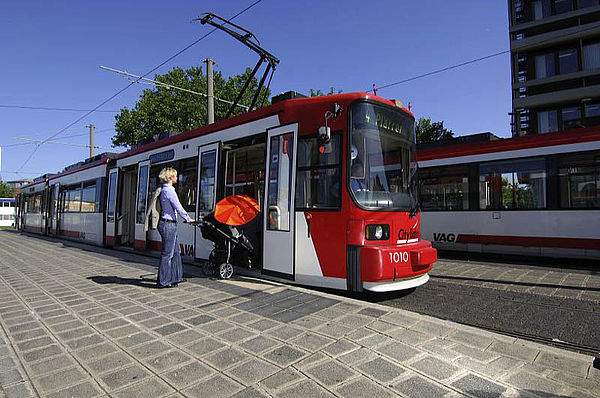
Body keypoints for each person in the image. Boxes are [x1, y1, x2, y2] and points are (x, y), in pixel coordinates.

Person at [156, 167, 195, 288]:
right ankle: (163, 281)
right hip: (168, 224)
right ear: (170, 178)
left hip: (169, 224)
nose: (177, 178)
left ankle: (175, 277)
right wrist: (189, 219)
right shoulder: (169, 191)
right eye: (175, 176)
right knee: (167, 254)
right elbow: (178, 207)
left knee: (176, 252)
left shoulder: (166, 190)